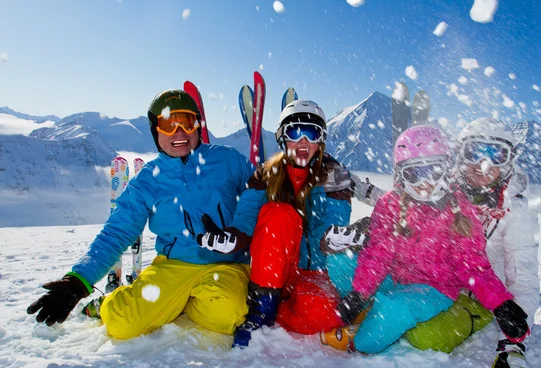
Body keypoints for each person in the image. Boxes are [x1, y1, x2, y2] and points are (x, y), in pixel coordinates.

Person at [26, 89, 255, 340]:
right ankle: (107, 305)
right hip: (173, 267)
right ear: (156, 131)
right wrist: (78, 281)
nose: (179, 132)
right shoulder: (147, 180)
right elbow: (118, 231)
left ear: (198, 126)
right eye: (168, 124)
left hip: (226, 265)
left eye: (186, 122)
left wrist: (238, 232)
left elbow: (258, 192)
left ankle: (179, 305)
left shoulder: (227, 160)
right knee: (122, 325)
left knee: (228, 314)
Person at [320, 125, 530, 360]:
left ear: (447, 168)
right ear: (402, 175)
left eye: (433, 171)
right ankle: (375, 307)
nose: (424, 183)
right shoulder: (391, 204)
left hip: (433, 288)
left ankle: (377, 319)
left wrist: (500, 303)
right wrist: (360, 293)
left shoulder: (460, 210)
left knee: (370, 339)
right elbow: (379, 252)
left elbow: (472, 265)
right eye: (414, 174)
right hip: (396, 277)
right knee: (339, 262)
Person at [196, 100, 362, 347]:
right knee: (280, 213)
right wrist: (234, 236)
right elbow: (248, 214)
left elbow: (334, 222)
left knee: (322, 317)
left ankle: (280, 308)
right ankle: (263, 307)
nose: (303, 142)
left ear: (321, 140)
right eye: (296, 132)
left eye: (312, 133)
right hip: (273, 269)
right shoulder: (266, 173)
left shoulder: (334, 174)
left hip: (314, 271)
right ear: (283, 137)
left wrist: (333, 238)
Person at [404, 117, 540, 368]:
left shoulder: (515, 212)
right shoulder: (444, 189)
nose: (484, 164)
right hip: (436, 281)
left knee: (425, 336)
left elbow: (522, 274)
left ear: (509, 161)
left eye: (496, 155)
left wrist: (513, 341)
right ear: (459, 154)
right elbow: (405, 211)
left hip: (483, 296)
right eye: (475, 152)